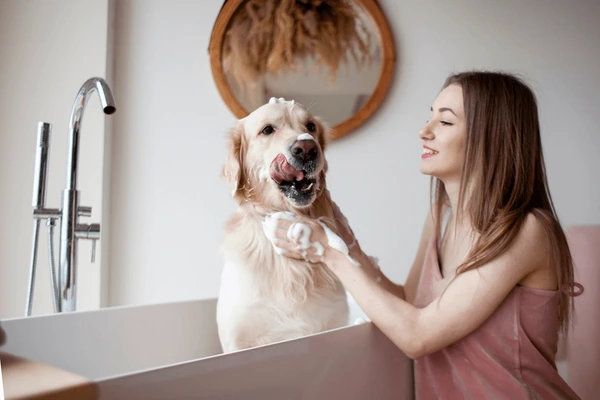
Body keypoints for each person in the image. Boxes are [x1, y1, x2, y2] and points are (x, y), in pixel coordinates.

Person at [269, 71, 583, 399]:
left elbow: (417, 336)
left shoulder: (526, 230)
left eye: (445, 123)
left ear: (492, 136)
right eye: (429, 117)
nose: (424, 132)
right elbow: (408, 302)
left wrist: (328, 252)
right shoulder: (440, 216)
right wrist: (348, 244)